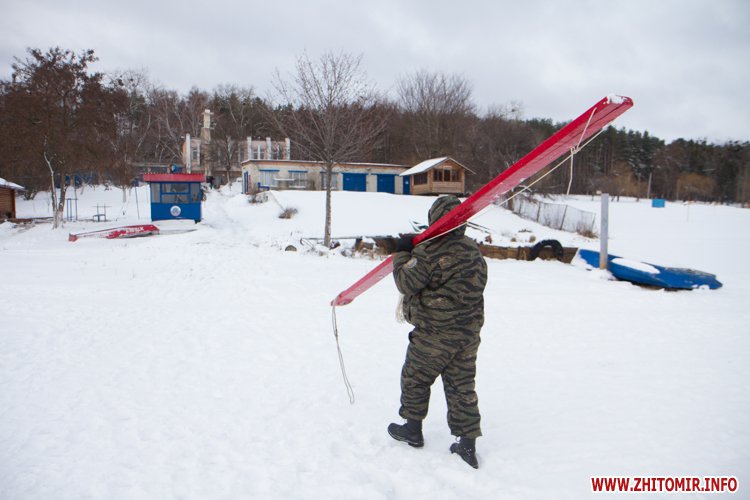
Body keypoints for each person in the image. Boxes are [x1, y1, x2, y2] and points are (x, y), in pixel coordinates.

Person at [386, 195, 488, 469]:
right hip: (468, 335)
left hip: (435, 333)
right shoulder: (473, 250)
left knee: (415, 378)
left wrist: (402, 253)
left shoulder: (430, 251)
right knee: (462, 385)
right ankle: (467, 444)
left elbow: (406, 282)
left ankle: (412, 429)